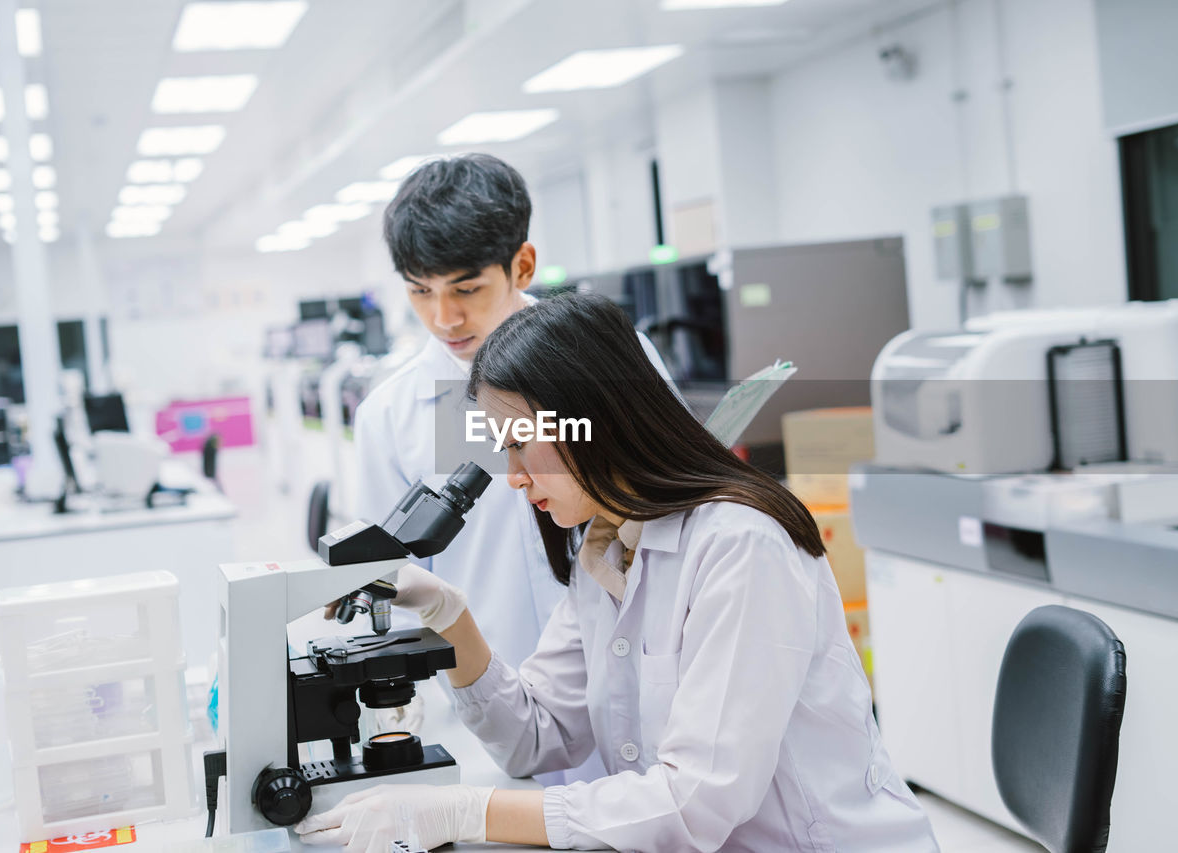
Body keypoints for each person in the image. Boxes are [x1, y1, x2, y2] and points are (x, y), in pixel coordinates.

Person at [298, 293, 939, 852]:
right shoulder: (605, 545)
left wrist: (467, 811)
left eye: (520, 442)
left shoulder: (741, 545)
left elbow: (695, 802)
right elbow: (536, 737)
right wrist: (450, 616)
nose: (513, 476)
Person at [353, 153, 671, 673]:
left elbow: (673, 502)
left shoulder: (617, 358)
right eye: (419, 291)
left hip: (641, 666)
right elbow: (394, 580)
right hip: (493, 695)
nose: (444, 317)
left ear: (521, 265)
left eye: (467, 288)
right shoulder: (389, 415)